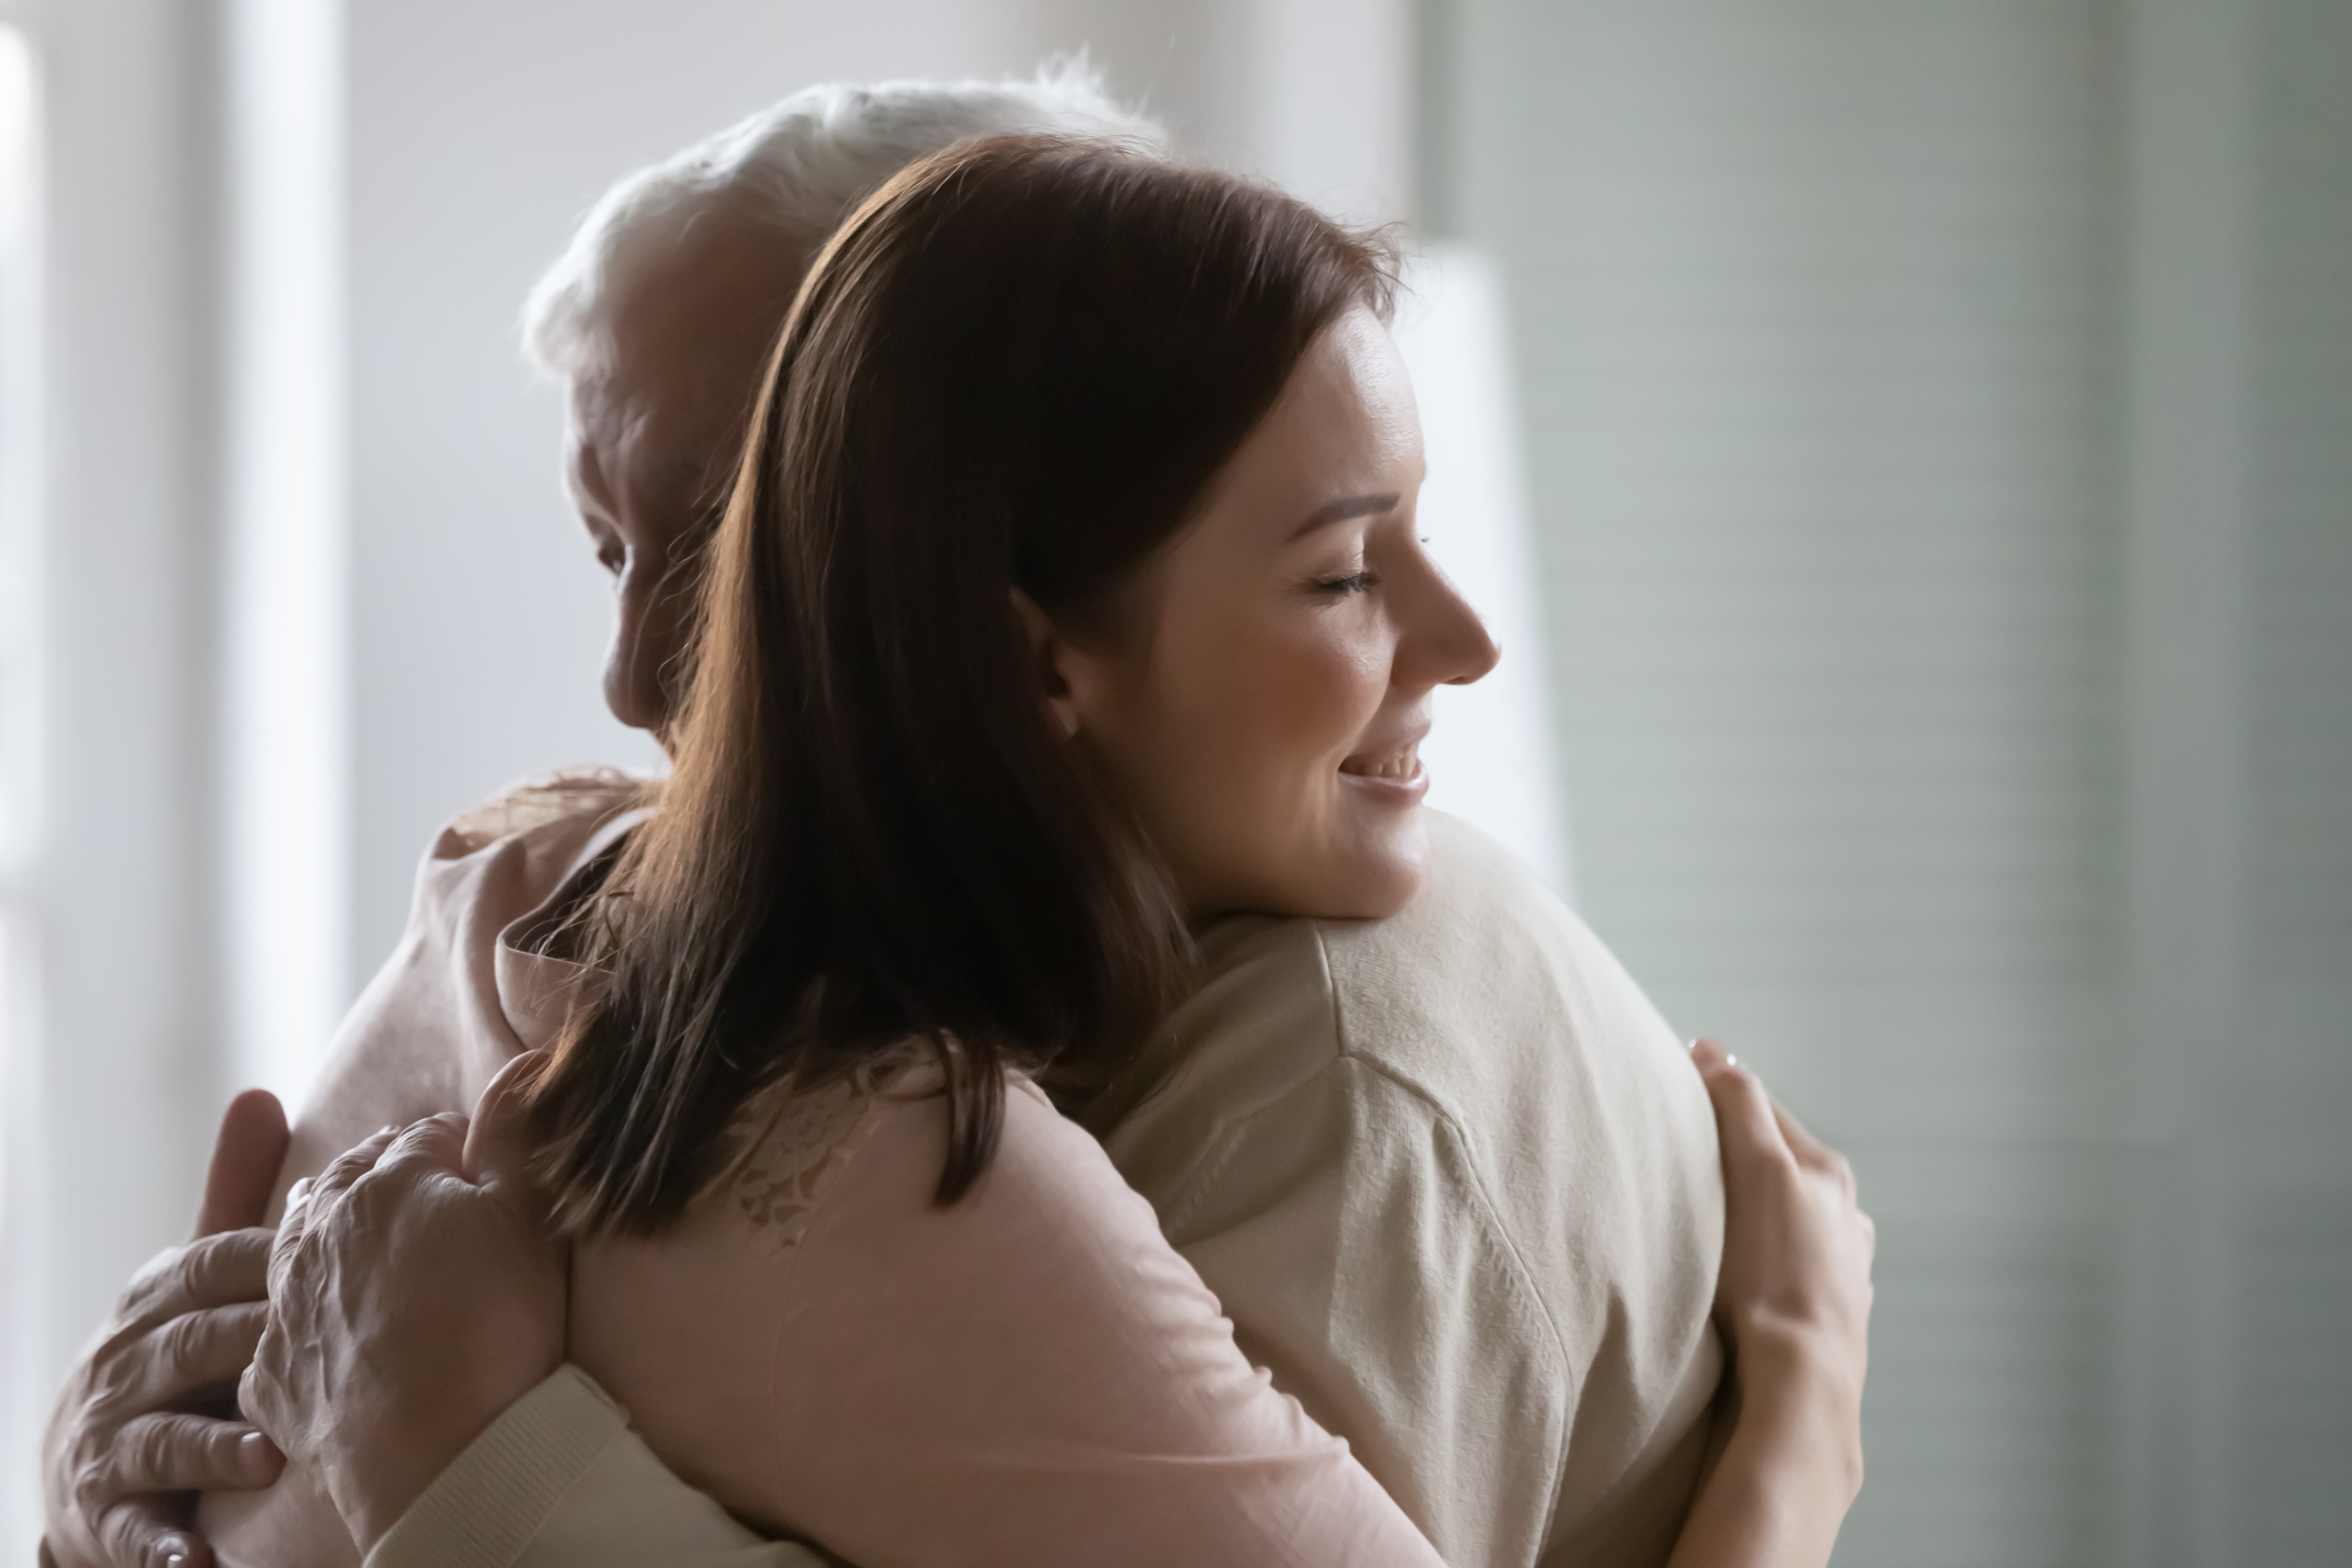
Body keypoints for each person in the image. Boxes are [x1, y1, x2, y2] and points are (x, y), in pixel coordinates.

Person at [33, 67, 1819, 1568]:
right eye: (615, 546)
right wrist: (104, 1474)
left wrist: (456, 1442)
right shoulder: (580, 918)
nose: (648, 684)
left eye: (754, 543)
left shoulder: (1322, 1068)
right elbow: (200, 1427)